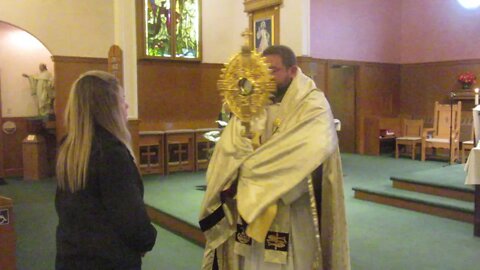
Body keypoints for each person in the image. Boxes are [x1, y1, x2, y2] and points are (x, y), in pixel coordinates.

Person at [199, 45, 350, 270]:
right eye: (263, 71)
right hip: (249, 212)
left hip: (292, 210)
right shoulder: (252, 103)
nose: (267, 78)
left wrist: (253, 176)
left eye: (274, 70)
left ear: (292, 71)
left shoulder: (312, 106)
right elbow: (228, 152)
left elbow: (304, 157)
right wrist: (236, 171)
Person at [55, 71, 157, 269]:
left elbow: (63, 206)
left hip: (72, 254)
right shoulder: (111, 153)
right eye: (122, 99)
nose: (126, 106)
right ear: (106, 108)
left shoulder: (69, 146)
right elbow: (131, 218)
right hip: (108, 259)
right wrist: (146, 239)